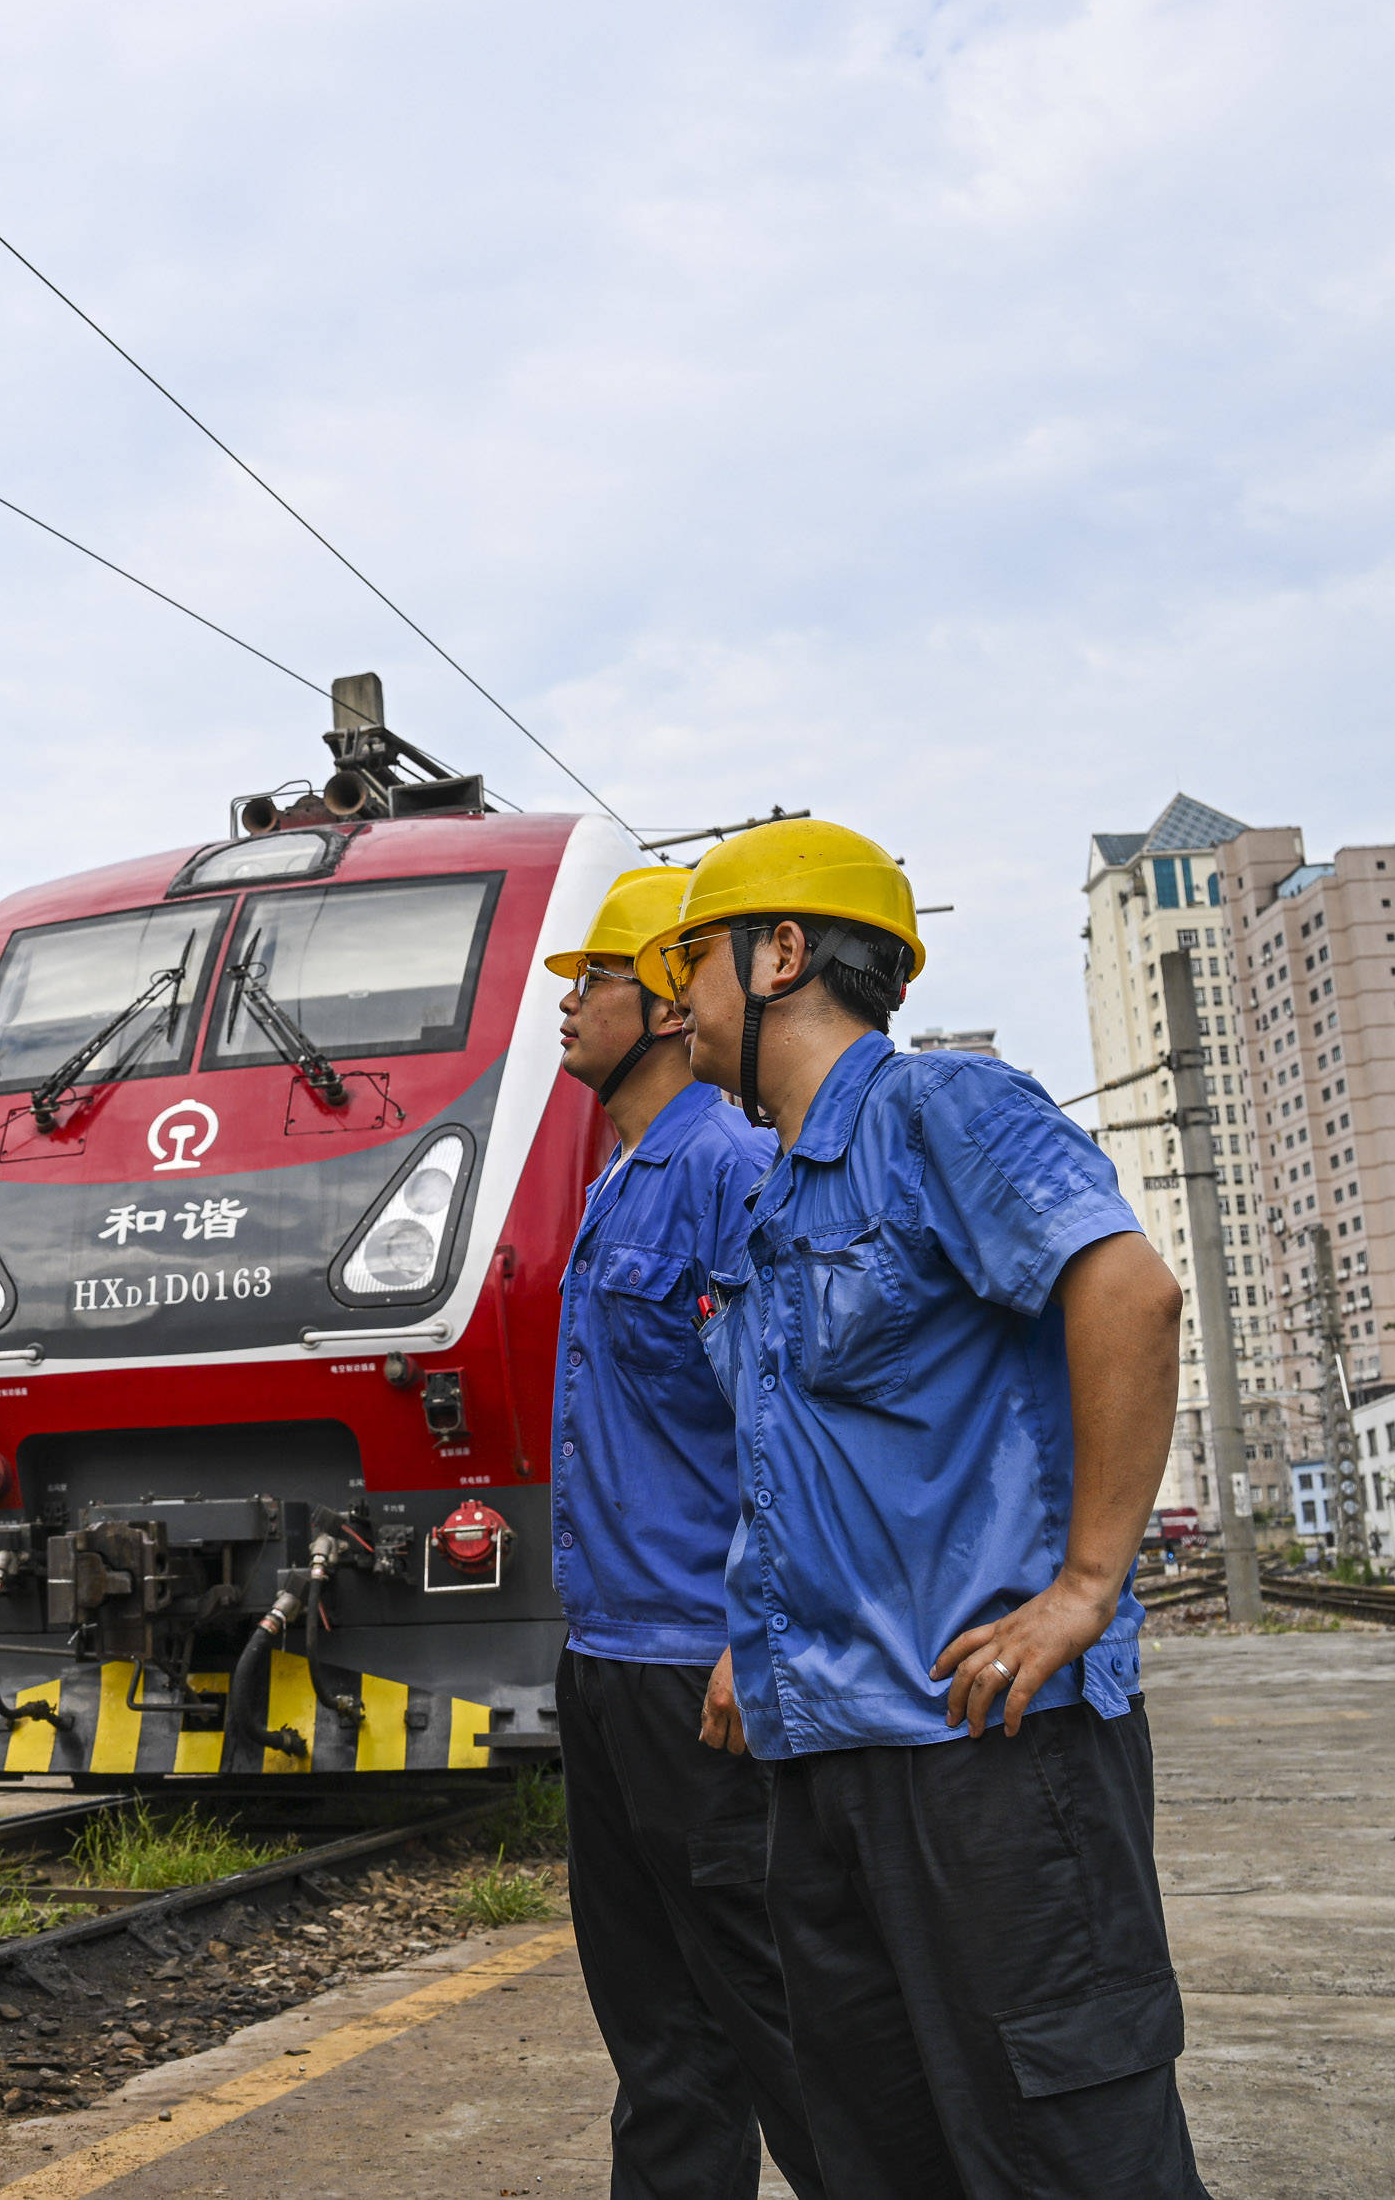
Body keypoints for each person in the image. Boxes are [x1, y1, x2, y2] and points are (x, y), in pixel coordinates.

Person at [659, 819, 1204, 2200]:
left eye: (693, 963)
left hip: (992, 1755)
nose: (679, 1001)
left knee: (1068, 2157)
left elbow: (1131, 1290)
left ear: (780, 953)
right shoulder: (778, 1195)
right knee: (875, 2156)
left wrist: (1085, 1585)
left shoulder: (939, 1113)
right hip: (827, 1758)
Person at [543, 866, 821, 2200]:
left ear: (662, 997)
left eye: (591, 979)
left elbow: (787, 1419)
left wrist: (748, 1635)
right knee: (658, 2039)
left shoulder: (728, 1170)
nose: (569, 1003)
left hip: (695, 1675)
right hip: (605, 1663)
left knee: (775, 2029)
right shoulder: (617, 1181)